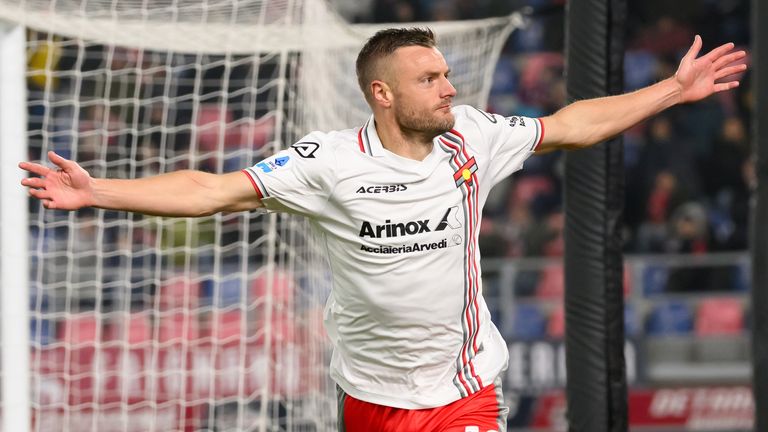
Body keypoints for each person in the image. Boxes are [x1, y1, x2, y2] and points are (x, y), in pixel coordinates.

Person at [19, 28, 745, 432]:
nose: (451, 88)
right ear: (383, 93)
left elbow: (571, 126)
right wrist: (100, 191)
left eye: (446, 75)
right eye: (431, 79)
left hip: (461, 390)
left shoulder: (473, 138)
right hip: (367, 397)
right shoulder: (328, 163)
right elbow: (212, 190)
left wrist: (672, 90)